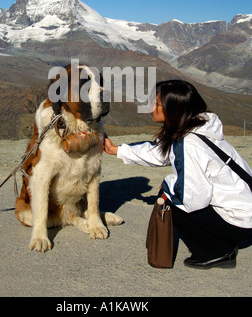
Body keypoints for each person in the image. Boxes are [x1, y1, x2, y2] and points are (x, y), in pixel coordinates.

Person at [104, 79, 252, 269]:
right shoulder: (198, 127)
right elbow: (159, 153)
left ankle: (217, 251)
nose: (150, 107)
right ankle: (222, 240)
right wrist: (117, 150)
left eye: (156, 104)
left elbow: (194, 197)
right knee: (172, 194)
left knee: (169, 200)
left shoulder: (189, 143)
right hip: (245, 210)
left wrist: (168, 187)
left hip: (240, 221)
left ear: (173, 108)